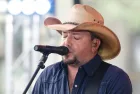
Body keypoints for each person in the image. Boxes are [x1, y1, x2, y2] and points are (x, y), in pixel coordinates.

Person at [32, 4, 132, 94]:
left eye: (76, 37)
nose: (66, 42)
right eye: (65, 35)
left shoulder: (115, 79)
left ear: (95, 44)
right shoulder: (48, 75)